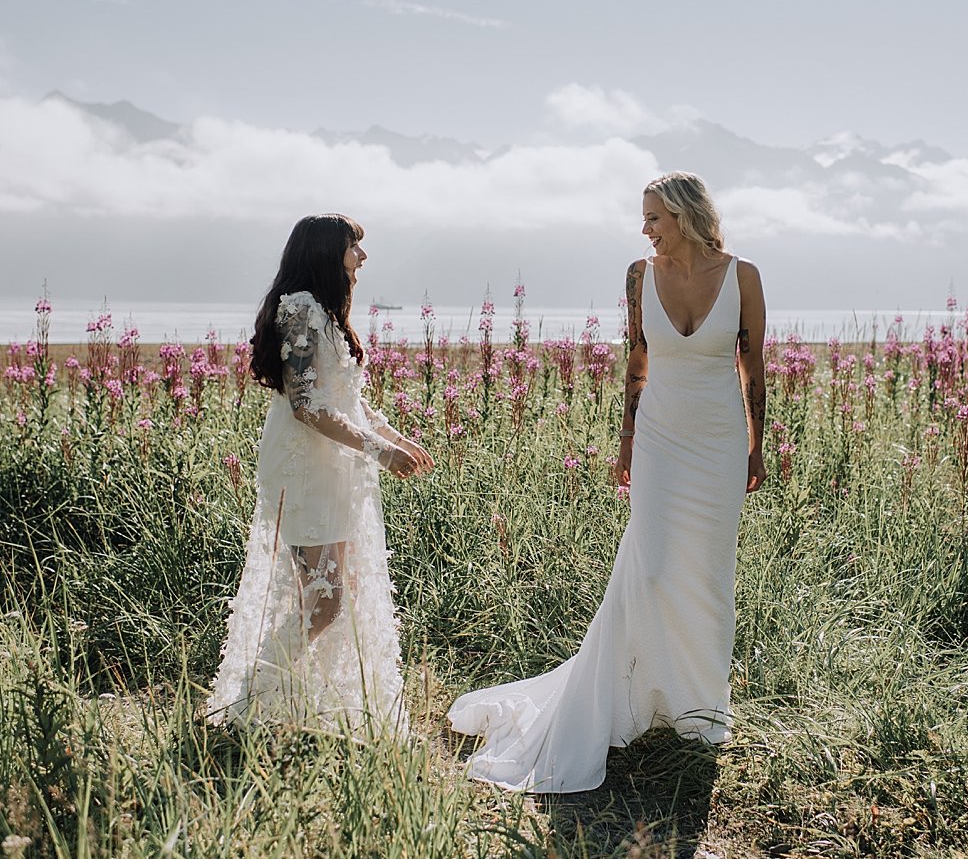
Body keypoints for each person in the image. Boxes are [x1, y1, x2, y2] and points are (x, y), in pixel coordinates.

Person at [447, 171, 767, 791]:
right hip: (659, 438)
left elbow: (752, 368)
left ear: (685, 216)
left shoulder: (743, 276)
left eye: (653, 217)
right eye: (644, 218)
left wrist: (759, 445)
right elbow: (637, 360)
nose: (644, 229)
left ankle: (700, 711)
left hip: (720, 439)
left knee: (708, 570)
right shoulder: (639, 276)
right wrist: (625, 441)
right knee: (650, 567)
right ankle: (642, 691)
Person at [206, 213, 434, 730]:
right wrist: (379, 451)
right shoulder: (300, 309)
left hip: (334, 464)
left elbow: (346, 399)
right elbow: (307, 406)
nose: (363, 255)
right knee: (325, 602)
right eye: (355, 245)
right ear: (326, 251)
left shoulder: (326, 313)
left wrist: (396, 438)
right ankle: (247, 703)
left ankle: (291, 702)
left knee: (337, 591)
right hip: (304, 466)